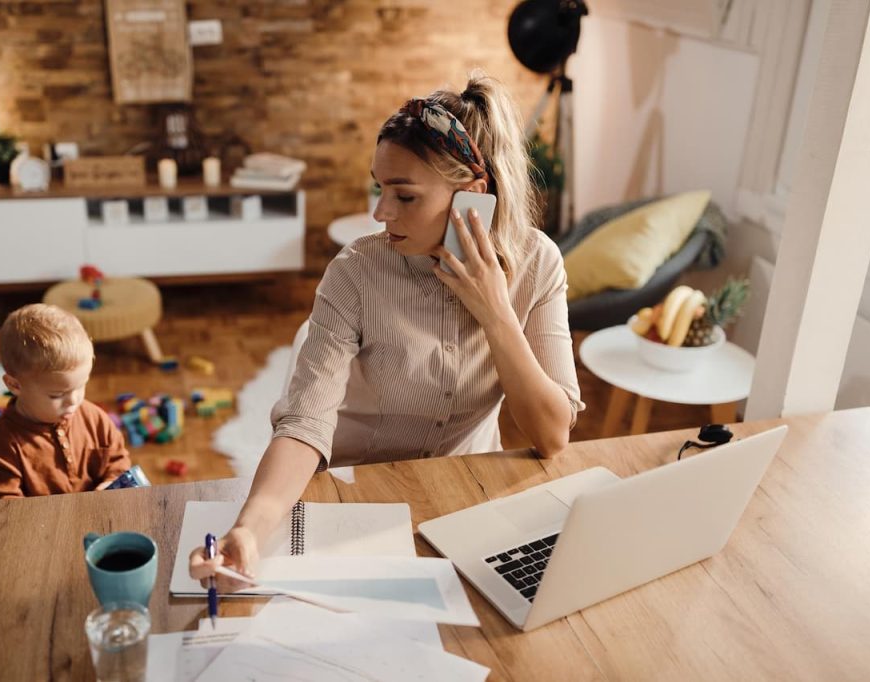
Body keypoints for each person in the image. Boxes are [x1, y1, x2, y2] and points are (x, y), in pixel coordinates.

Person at [190, 71, 584, 588]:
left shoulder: (538, 264)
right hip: (355, 492)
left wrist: (494, 310)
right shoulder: (355, 272)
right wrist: (248, 529)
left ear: (473, 196)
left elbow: (552, 436)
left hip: (464, 498)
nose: (380, 212)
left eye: (405, 196)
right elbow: (304, 425)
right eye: (380, 189)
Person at [0, 303, 131, 500]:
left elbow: (117, 462)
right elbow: (1, 506)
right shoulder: (2, 445)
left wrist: (110, 484)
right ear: (14, 385)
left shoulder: (95, 418)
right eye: (57, 395)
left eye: (80, 386)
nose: (74, 401)